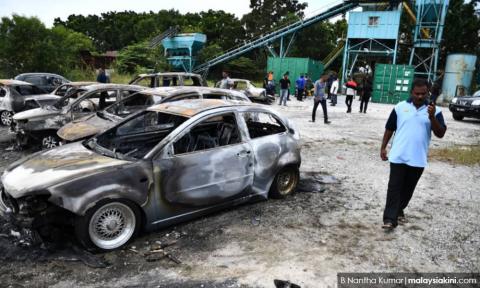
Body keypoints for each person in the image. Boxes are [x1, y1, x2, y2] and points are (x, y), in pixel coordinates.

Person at [380, 78, 447, 230]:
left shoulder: (435, 110)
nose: (420, 97)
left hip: (418, 158)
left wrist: (431, 117)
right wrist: (383, 147)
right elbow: (389, 128)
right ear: (411, 92)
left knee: (407, 190)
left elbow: (440, 133)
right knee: (394, 188)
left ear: (427, 93)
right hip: (398, 155)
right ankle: (390, 219)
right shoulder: (400, 107)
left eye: (423, 94)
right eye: (417, 93)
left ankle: (399, 209)